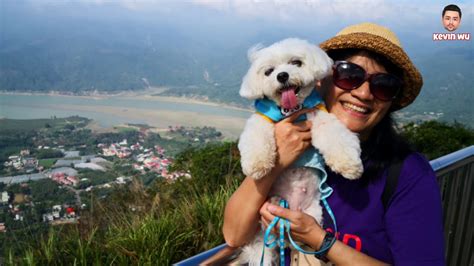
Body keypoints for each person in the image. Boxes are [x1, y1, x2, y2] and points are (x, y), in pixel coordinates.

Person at [222, 23, 445, 265]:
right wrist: (278, 162)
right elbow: (234, 235)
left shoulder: (409, 174)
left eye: (383, 85)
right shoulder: (286, 144)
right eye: (350, 75)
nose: (364, 93)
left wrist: (319, 239)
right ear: (323, 79)